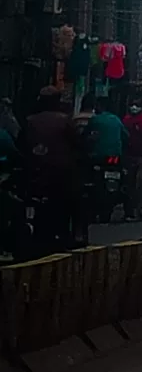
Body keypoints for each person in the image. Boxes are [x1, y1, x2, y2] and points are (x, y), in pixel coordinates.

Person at [18, 87, 85, 250]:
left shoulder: (29, 121)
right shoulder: (65, 121)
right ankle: (78, 234)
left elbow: (20, 145)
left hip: (34, 173)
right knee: (78, 199)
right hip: (60, 174)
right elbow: (79, 145)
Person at [121, 99, 142, 220]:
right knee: (129, 184)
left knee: (141, 184)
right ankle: (129, 211)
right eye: (132, 105)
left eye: (137, 105)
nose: (134, 107)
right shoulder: (126, 120)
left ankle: (141, 209)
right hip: (130, 156)